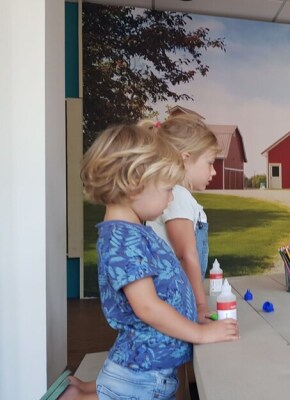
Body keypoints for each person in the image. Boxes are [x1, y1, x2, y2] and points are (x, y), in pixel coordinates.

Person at [80, 124, 239, 399]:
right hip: (142, 379)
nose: (171, 197)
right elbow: (147, 307)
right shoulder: (122, 239)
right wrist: (199, 334)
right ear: (134, 185)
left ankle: (96, 391)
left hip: (143, 372)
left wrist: (193, 312)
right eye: (167, 189)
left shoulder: (134, 232)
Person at [144, 115, 218, 323]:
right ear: (185, 159)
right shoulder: (177, 196)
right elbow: (187, 254)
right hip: (174, 301)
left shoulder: (176, 194)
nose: (214, 171)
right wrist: (200, 304)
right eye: (209, 163)